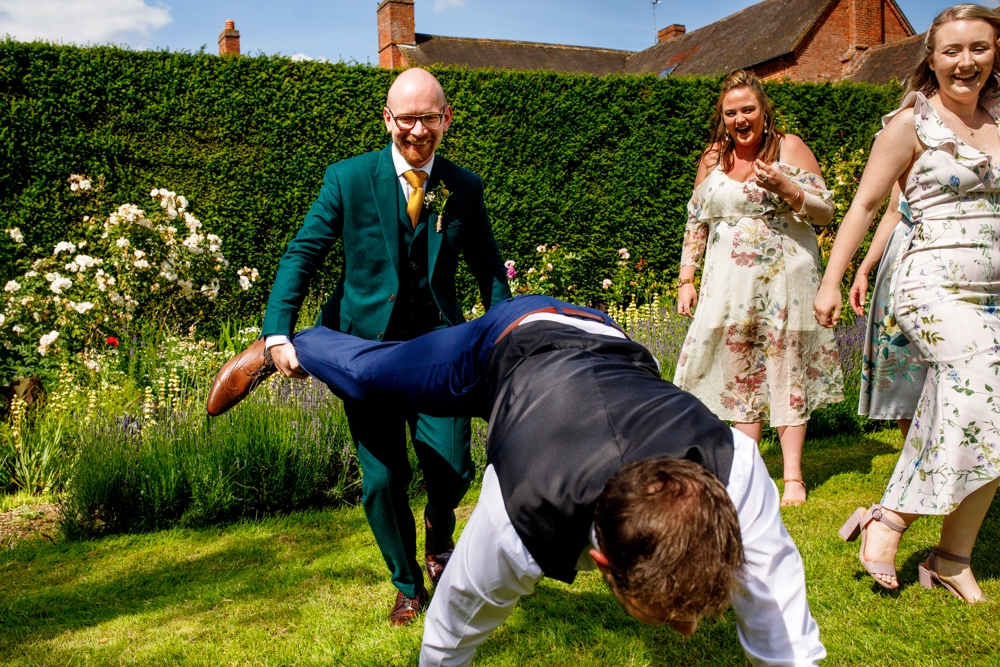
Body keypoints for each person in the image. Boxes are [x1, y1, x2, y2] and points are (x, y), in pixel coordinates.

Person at [213, 295, 825, 666]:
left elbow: (784, 632)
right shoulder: (517, 518)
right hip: (509, 341)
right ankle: (290, 346)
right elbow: (449, 630)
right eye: (670, 618)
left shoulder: (736, 470)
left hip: (602, 346)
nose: (688, 632)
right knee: (376, 379)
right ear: (600, 561)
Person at [255, 67, 511, 624]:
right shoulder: (347, 180)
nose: (417, 132)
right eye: (407, 119)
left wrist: (506, 330)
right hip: (365, 354)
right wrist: (278, 332)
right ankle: (408, 586)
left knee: (453, 466)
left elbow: (489, 267)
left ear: (446, 119)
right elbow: (303, 253)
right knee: (382, 480)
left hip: (440, 350)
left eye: (429, 118)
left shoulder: (463, 187)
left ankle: (439, 534)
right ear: (388, 119)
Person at [814, 4, 1000, 603]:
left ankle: (952, 556)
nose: (965, 62)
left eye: (979, 48)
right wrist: (832, 280)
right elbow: (866, 208)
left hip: (994, 291)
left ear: (996, 53)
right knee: (975, 374)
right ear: (932, 58)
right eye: (952, 50)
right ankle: (891, 518)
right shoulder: (910, 126)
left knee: (988, 410)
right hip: (930, 285)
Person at [674, 70, 843, 508]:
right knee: (739, 372)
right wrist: (687, 278)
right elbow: (697, 221)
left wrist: (787, 188)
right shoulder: (713, 158)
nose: (740, 119)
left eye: (747, 109)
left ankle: (792, 479)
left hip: (784, 280)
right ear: (722, 117)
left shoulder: (789, 147)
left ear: (763, 110)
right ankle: (750, 473)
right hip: (726, 283)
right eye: (731, 112)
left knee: (786, 368)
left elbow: (825, 214)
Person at [849, 185, 927, 436]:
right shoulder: (908, 145)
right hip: (905, 248)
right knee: (902, 359)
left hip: (963, 251)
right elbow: (893, 211)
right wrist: (864, 269)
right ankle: (915, 457)